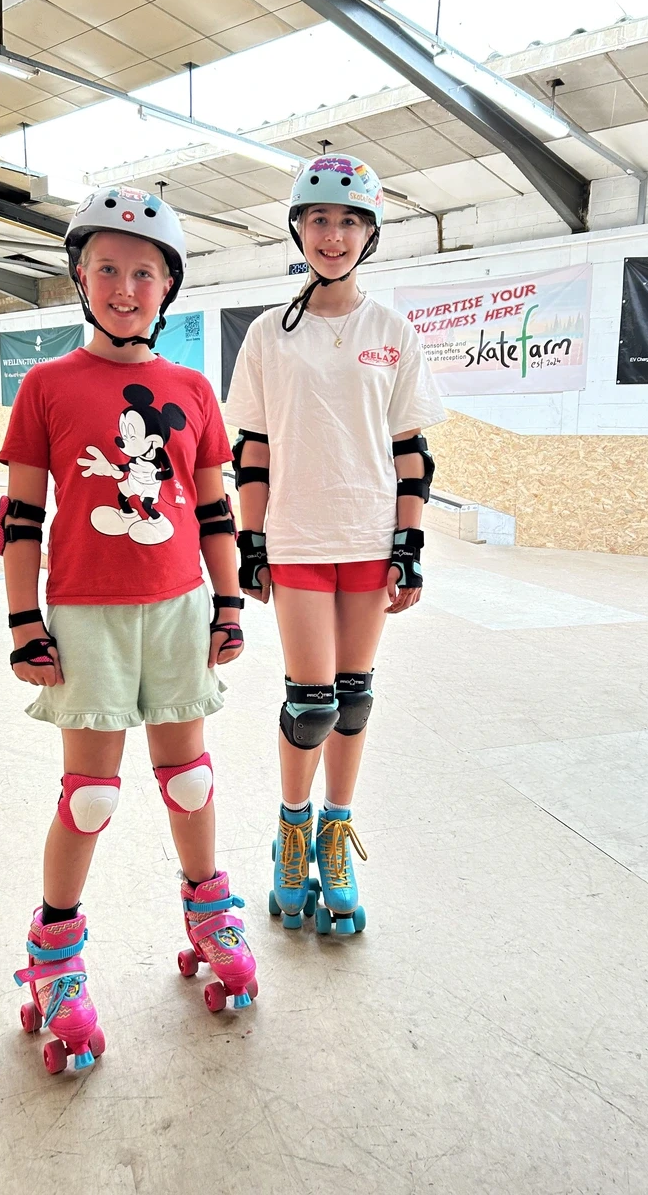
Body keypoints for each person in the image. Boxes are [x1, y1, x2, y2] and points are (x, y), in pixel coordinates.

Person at [0, 186, 257, 1075]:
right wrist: (23, 618)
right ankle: (55, 955)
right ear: (80, 278)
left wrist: (228, 604)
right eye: (106, 268)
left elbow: (217, 512)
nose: (124, 286)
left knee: (187, 780)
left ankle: (209, 910)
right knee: (91, 796)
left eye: (143, 272)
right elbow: (22, 516)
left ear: (167, 288)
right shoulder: (46, 385)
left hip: (180, 604)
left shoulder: (192, 389)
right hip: (85, 612)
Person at [225, 154, 446, 936]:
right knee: (310, 705)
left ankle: (336, 836)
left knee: (355, 698)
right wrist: (249, 540)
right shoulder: (266, 335)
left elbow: (411, 452)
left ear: (371, 234)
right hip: (296, 536)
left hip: (367, 534)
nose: (333, 234)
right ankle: (291, 834)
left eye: (350, 220)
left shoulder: (391, 333)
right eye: (319, 219)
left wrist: (409, 546)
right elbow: (251, 447)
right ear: (298, 228)